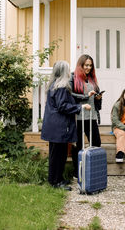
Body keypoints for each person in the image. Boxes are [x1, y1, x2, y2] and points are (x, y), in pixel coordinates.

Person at [41, 60, 91, 190]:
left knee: (56, 154)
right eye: (68, 70)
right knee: (58, 155)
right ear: (64, 72)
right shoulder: (62, 87)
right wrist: (80, 107)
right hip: (59, 126)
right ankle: (56, 182)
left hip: (53, 126)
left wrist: (82, 99)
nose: (70, 72)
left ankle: (57, 179)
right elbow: (63, 106)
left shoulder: (53, 85)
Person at [70, 54, 102, 177]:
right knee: (78, 144)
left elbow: (97, 103)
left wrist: (98, 98)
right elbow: (71, 95)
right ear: (81, 65)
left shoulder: (92, 79)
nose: (88, 67)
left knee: (96, 143)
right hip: (78, 116)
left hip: (91, 115)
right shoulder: (73, 77)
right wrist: (85, 96)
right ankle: (77, 172)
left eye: (90, 65)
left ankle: (91, 169)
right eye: (86, 65)